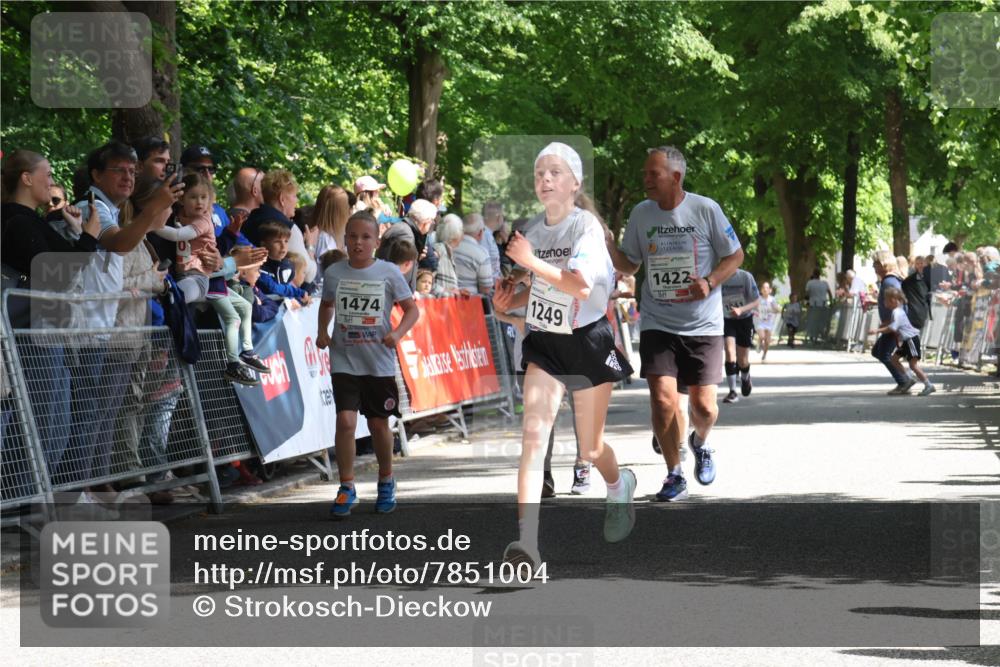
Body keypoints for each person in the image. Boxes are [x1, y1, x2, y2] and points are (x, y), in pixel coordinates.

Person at [493, 141, 636, 569]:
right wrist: (510, 298)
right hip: (547, 344)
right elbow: (538, 288)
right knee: (533, 441)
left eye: (555, 172)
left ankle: (618, 483)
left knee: (590, 450)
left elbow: (579, 286)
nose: (545, 179)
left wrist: (530, 262)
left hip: (588, 340)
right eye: (539, 173)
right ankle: (527, 547)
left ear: (575, 183)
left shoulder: (586, 227)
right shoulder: (533, 230)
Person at [606, 145, 744, 503]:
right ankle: (674, 474)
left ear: (676, 177)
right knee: (664, 400)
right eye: (645, 173)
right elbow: (631, 264)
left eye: (653, 174)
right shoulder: (641, 213)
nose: (645, 180)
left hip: (703, 324)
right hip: (657, 320)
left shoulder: (705, 209)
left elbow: (735, 255)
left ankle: (700, 442)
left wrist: (710, 281)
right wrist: (609, 246)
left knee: (704, 408)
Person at [317, 210, 419, 517]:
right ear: (345, 239)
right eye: (352, 236)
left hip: (378, 361)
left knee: (377, 424)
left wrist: (398, 333)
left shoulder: (388, 272)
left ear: (376, 241)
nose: (358, 242)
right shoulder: (334, 272)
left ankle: (386, 479)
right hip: (344, 358)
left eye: (365, 237)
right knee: (346, 422)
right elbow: (326, 304)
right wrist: (322, 331)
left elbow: (412, 310)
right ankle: (346, 487)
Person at [151, 172, 268, 386]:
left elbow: (187, 240)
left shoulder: (204, 220)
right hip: (200, 278)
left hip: (202, 278)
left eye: (204, 197)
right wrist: (230, 239)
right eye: (193, 197)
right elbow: (213, 248)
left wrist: (148, 224)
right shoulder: (178, 217)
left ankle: (239, 357)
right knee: (235, 312)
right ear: (181, 199)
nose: (199, 202)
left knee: (231, 309)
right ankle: (239, 358)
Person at [869, 287, 935, 396]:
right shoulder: (898, 311)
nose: (884, 302)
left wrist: (877, 330)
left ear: (893, 300)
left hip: (911, 340)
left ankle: (928, 385)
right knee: (894, 359)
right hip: (906, 340)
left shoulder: (896, 312)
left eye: (885, 300)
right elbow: (896, 324)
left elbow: (893, 328)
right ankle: (909, 378)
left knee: (913, 365)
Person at [871, 250, 912, 391]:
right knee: (877, 351)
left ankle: (904, 381)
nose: (873, 267)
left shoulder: (889, 281)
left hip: (894, 324)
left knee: (883, 353)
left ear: (884, 264)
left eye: (876, 264)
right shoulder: (890, 280)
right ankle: (905, 378)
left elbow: (899, 303)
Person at [377, 198, 438, 288]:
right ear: (426, 222)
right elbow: (401, 269)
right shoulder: (406, 235)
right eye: (432, 221)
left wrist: (416, 257)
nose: (431, 225)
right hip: (392, 293)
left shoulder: (403, 229)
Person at [721, 268, 760, 403]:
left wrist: (740, 309)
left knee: (742, 360)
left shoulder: (745, 277)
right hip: (727, 319)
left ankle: (745, 378)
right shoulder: (719, 276)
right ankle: (732, 392)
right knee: (729, 352)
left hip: (744, 319)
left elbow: (756, 301)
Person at [257, 221, 311, 305]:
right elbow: (274, 288)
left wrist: (298, 300)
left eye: (286, 241)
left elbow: (286, 288)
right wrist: (298, 292)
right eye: (277, 242)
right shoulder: (259, 267)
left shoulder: (287, 265)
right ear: (264, 244)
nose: (283, 246)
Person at [454, 213, 493, 296]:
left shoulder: (449, 245)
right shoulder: (482, 253)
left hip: (445, 299)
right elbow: (486, 288)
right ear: (480, 232)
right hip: (468, 302)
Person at [312, 184, 350, 256]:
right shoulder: (324, 239)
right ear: (338, 212)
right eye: (346, 206)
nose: (348, 210)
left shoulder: (331, 237)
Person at [431, 213, 463, 296]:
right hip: (438, 304)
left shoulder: (447, 251)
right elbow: (426, 280)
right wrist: (446, 291)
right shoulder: (439, 250)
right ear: (455, 234)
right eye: (462, 231)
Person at [754, 281, 780, 362]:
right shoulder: (758, 299)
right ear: (761, 290)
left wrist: (771, 309)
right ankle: (759, 343)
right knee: (762, 336)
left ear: (770, 290)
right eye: (763, 287)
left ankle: (764, 355)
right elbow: (754, 308)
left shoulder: (772, 299)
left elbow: (777, 310)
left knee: (767, 341)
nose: (765, 289)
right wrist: (757, 311)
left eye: (767, 288)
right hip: (760, 321)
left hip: (769, 322)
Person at [481, 201, 504, 280]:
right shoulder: (484, 236)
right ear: (499, 218)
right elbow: (483, 264)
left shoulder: (486, 234)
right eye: (502, 216)